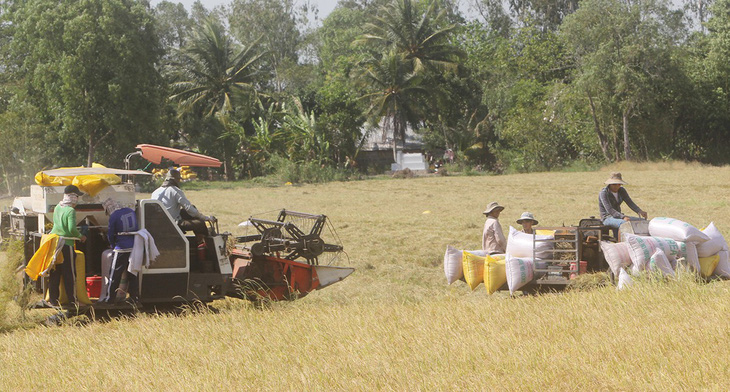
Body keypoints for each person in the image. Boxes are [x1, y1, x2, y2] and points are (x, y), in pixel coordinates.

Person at [151, 168, 215, 248]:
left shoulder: (155, 192)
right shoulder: (175, 191)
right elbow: (189, 209)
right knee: (200, 224)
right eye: (178, 179)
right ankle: (204, 246)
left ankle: (200, 243)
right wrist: (205, 218)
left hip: (160, 223)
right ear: (175, 180)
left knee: (188, 211)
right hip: (172, 224)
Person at [48, 185, 87, 307]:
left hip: (55, 243)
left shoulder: (58, 207)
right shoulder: (70, 211)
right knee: (69, 274)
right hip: (66, 244)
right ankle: (72, 301)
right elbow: (71, 229)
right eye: (77, 196)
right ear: (73, 197)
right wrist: (81, 236)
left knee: (55, 273)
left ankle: (53, 300)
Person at [102, 198, 138, 304]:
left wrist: (113, 246)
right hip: (134, 247)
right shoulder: (131, 211)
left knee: (114, 274)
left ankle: (110, 299)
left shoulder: (114, 216)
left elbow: (110, 234)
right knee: (132, 273)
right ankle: (133, 298)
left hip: (121, 248)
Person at [598, 172, 648, 238]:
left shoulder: (622, 191)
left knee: (642, 221)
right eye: (614, 184)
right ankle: (620, 242)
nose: (617, 186)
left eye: (619, 184)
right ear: (610, 184)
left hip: (619, 216)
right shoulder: (604, 193)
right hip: (607, 218)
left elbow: (630, 202)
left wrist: (639, 211)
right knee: (624, 224)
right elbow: (609, 209)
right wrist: (623, 217)